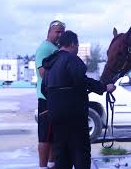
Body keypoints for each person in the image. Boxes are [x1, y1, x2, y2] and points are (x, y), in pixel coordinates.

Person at [42, 30, 116, 169]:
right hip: (74, 116)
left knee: (62, 154)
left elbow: (43, 89)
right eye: (77, 46)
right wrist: (104, 88)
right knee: (80, 153)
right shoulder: (72, 59)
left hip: (55, 116)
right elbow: (83, 81)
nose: (77, 49)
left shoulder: (50, 62)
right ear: (72, 44)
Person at [35, 20, 65, 169]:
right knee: (45, 137)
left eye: (62, 32)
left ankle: (52, 165)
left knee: (53, 136)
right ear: (49, 31)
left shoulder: (55, 48)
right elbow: (43, 73)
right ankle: (42, 167)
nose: (60, 34)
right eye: (57, 32)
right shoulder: (44, 48)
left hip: (55, 99)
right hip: (45, 99)